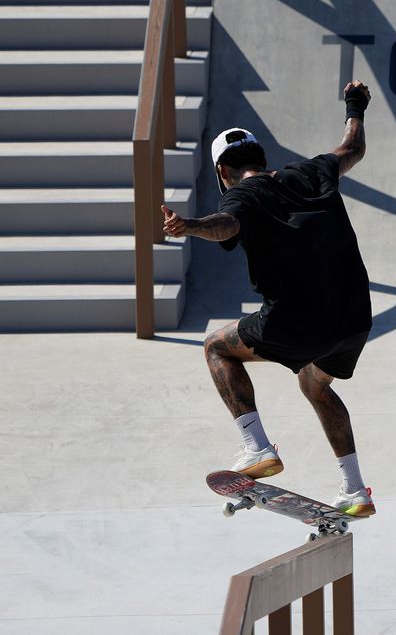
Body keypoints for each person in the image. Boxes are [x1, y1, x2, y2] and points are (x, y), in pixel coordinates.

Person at [161, 80, 375, 517]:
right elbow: (352, 147)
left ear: (222, 172)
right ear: (261, 158)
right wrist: (356, 104)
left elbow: (224, 224)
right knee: (314, 384)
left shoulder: (243, 195)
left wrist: (190, 225)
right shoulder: (313, 170)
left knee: (217, 346)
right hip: (354, 320)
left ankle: (256, 447)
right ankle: (355, 490)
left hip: (297, 322)